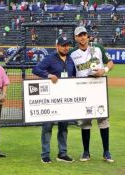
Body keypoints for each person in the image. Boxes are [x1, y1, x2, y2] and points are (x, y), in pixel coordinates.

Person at [69, 26, 115, 163]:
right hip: (82, 89)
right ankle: (86, 152)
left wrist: (105, 70)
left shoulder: (98, 48)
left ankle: (106, 151)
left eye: (84, 34)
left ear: (88, 36)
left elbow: (111, 62)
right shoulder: (72, 53)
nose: (82, 37)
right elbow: (71, 72)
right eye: (79, 35)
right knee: (85, 121)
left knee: (103, 119)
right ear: (76, 38)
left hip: (98, 88)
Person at [32, 36, 76, 164]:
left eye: (67, 45)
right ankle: (45, 154)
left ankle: (62, 153)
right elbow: (36, 69)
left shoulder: (70, 59)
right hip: (51, 98)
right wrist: (48, 75)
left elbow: (74, 75)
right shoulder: (50, 58)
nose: (66, 47)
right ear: (57, 46)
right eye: (63, 45)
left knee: (63, 127)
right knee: (47, 126)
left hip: (65, 98)